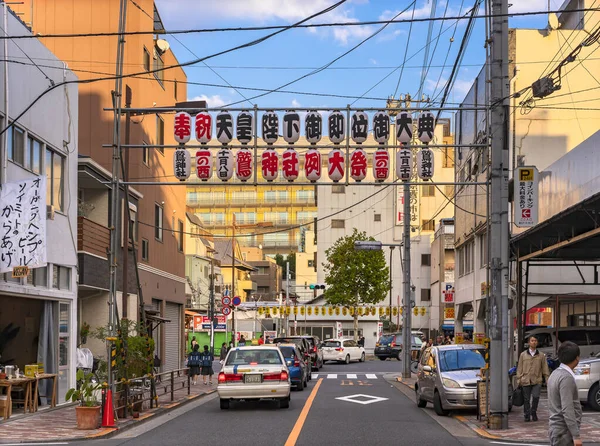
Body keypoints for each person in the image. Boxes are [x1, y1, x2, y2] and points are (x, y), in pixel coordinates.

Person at [547, 341, 582, 446]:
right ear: (577, 358)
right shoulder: (566, 378)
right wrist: (576, 435)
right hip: (564, 432)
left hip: (556, 429)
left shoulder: (555, 373)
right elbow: (567, 408)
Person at [516, 335, 550, 422]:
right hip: (525, 379)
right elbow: (519, 367)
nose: (534, 342)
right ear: (529, 343)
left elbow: (545, 368)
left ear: (537, 343)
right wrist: (519, 379)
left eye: (535, 340)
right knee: (526, 399)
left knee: (536, 397)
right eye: (532, 340)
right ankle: (526, 415)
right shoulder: (523, 355)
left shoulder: (541, 355)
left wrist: (547, 378)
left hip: (537, 380)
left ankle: (533, 412)